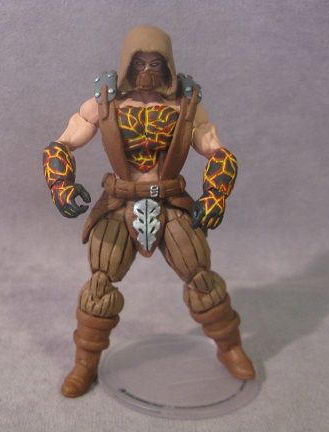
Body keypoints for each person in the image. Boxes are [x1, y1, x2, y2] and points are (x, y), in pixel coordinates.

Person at [43, 25, 255, 398]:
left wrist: (215, 195)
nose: (147, 70)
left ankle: (230, 346)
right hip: (120, 202)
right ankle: (85, 363)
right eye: (139, 62)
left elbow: (217, 151)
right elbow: (62, 144)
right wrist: (61, 185)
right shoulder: (104, 102)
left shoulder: (186, 106)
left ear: (168, 65)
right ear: (126, 63)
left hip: (170, 203)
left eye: (155, 63)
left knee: (201, 278)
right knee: (99, 286)